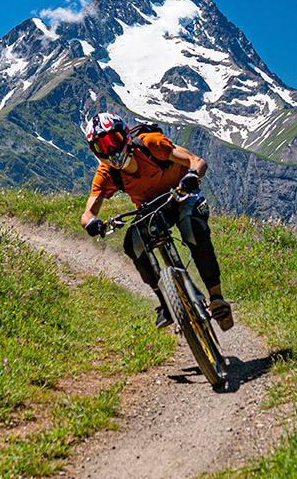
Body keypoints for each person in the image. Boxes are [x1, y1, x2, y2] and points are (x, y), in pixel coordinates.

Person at [79, 112, 233, 331]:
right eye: (102, 147)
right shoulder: (107, 173)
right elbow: (87, 213)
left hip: (180, 193)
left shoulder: (151, 144)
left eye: (113, 141)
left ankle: (216, 297)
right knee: (133, 245)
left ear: (124, 135)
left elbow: (197, 161)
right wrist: (92, 222)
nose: (110, 150)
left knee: (192, 227)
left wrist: (191, 176)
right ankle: (165, 301)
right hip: (150, 208)